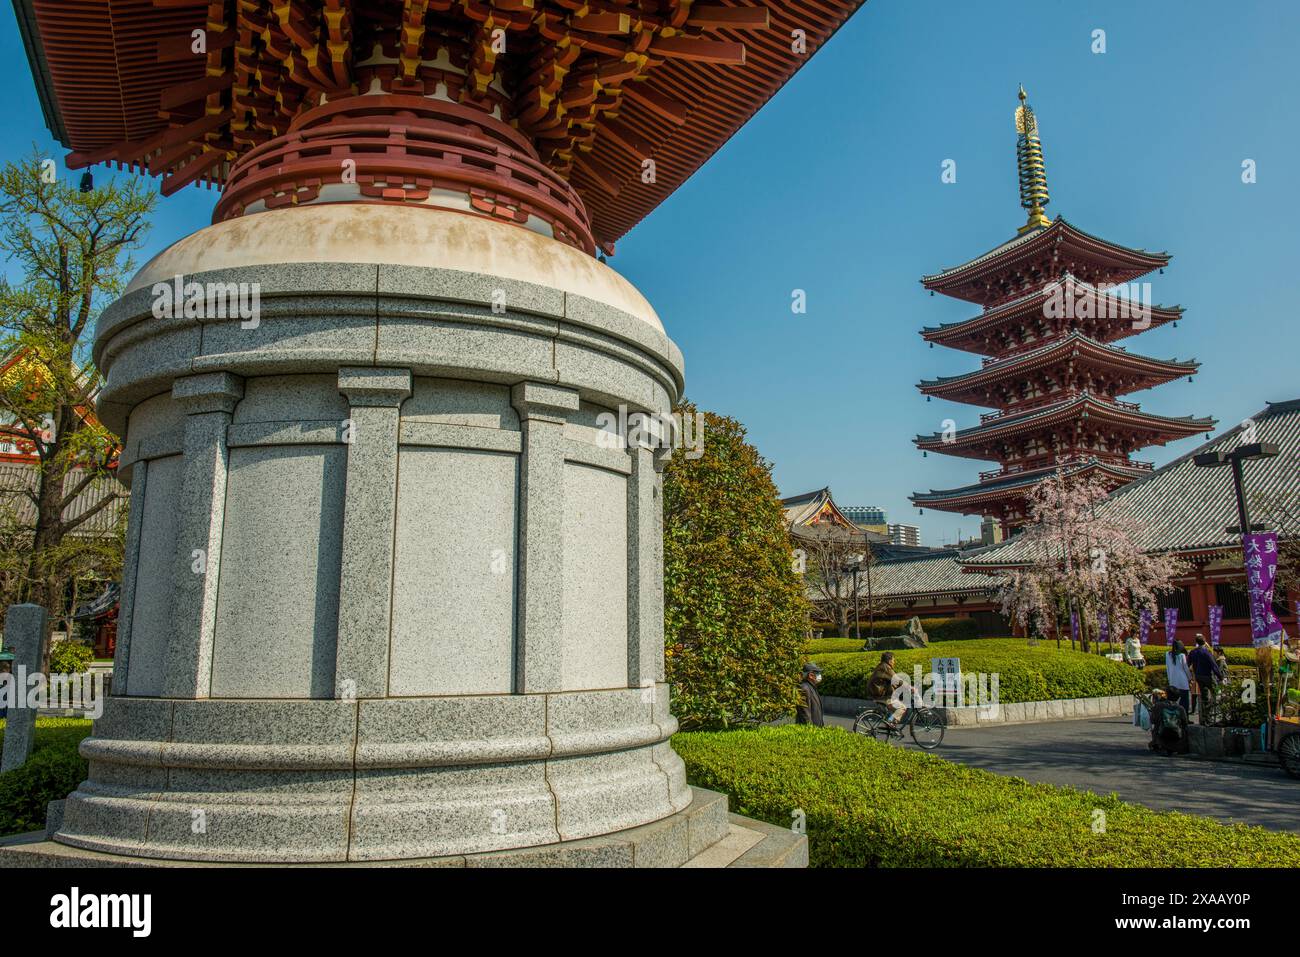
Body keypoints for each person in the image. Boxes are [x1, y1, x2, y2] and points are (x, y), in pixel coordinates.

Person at [1187, 634, 1224, 724]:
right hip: (1207, 676)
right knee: (1216, 693)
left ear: (1196, 642)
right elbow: (1214, 666)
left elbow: (1188, 663)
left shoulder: (1193, 652)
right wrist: (1220, 677)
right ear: (1205, 642)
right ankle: (1213, 712)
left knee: (1204, 697)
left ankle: (1205, 717)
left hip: (1198, 677)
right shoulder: (1207, 652)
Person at [867, 652, 909, 724]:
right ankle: (890, 721)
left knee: (894, 709)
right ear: (889, 661)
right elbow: (897, 680)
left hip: (876, 694)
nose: (894, 662)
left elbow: (890, 681)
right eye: (893, 660)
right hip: (882, 696)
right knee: (902, 708)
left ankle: (891, 727)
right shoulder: (886, 668)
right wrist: (910, 687)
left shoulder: (881, 666)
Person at [1149, 687, 1189, 755]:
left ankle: (1157, 743)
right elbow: (1185, 723)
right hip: (1177, 738)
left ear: (1166, 695)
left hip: (1161, 737)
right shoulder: (1181, 708)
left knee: (1155, 727)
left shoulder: (1159, 705)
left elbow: (1153, 720)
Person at [1165, 639, 1191, 713]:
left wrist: (1169, 679)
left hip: (1173, 681)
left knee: (1172, 701)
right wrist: (1190, 678)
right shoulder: (1182, 655)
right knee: (1184, 701)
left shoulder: (1167, 654)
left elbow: (1168, 668)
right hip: (1183, 681)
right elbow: (1185, 668)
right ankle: (1185, 717)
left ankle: (1174, 717)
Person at [796, 662, 824, 727]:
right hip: (810, 730)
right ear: (811, 675)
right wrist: (810, 729)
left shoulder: (811, 687)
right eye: (818, 673)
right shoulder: (804, 688)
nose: (820, 675)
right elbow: (805, 713)